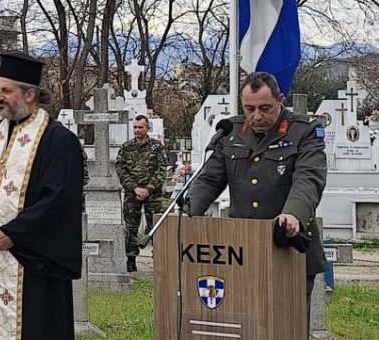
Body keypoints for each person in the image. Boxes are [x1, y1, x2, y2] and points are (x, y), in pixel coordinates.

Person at [0, 52, 84, 340]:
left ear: (30, 94)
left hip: (33, 263)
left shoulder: (58, 141)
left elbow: (58, 201)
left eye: (7, 90)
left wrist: (12, 234)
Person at [187, 72, 327, 315]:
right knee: (245, 322)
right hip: (241, 250)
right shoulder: (231, 133)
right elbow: (208, 180)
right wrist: (183, 214)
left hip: (287, 246)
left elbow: (308, 179)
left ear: (280, 100)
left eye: (265, 108)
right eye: (249, 109)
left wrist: (292, 214)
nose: (257, 116)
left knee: (284, 325)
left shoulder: (303, 131)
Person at [115, 115, 168, 272]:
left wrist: (148, 189)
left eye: (140, 127)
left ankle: (159, 260)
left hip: (153, 194)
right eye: (135, 127)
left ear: (147, 128)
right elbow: (121, 169)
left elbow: (161, 169)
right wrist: (134, 188)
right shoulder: (126, 148)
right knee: (131, 228)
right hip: (133, 193)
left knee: (155, 227)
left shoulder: (156, 147)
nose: (137, 130)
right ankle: (131, 260)